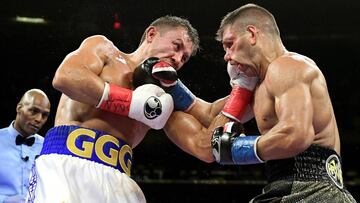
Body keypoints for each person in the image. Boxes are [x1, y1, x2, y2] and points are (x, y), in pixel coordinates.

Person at [25, 15, 202, 203]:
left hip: (118, 181)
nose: (178, 59)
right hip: (67, 164)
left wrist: (238, 84)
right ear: (151, 34)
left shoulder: (163, 97)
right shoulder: (104, 49)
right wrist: (132, 103)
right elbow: (65, 77)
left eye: (185, 58)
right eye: (176, 46)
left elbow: (204, 131)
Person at [208, 3, 356, 202]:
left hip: (312, 189)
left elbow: (296, 134)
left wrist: (237, 149)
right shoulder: (261, 85)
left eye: (229, 44)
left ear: (252, 34)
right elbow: (209, 115)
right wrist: (172, 87)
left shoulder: (287, 66)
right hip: (289, 188)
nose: (227, 56)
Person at [0, 89, 50, 203]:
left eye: (45, 115)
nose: (39, 119)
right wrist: (3, 200)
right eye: (34, 111)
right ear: (19, 108)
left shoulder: (48, 147)